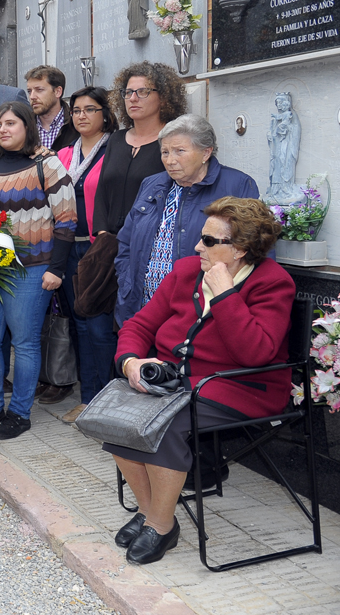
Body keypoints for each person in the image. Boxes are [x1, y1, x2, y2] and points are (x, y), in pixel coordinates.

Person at [108, 198, 293, 564]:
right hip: (179, 382)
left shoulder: (273, 283)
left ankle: (161, 527)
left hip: (241, 386)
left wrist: (225, 293)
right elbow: (139, 324)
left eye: (209, 241)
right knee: (117, 416)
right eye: (200, 238)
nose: (197, 247)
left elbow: (255, 353)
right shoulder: (185, 271)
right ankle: (151, 513)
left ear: (239, 249)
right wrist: (129, 361)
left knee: (165, 424)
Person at [0, 101, 76, 440]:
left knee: (25, 344)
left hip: (31, 271)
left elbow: (67, 220)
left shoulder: (47, 164)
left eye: (11, 123)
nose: (3, 130)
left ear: (27, 126)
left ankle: (19, 413)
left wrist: (56, 270)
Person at [115, 115, 260, 327]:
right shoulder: (151, 185)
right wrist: (127, 281)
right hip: (142, 308)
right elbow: (126, 242)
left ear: (206, 153)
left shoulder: (237, 186)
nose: (170, 160)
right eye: (165, 152)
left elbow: (254, 251)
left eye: (179, 151)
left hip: (200, 313)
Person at [55, 87, 118, 422]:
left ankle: (109, 404)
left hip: (99, 248)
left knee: (99, 328)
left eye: (89, 109)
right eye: (76, 110)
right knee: (79, 326)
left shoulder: (117, 150)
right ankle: (88, 399)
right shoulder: (64, 154)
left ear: (105, 114)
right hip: (68, 247)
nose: (81, 116)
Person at [92, 62, 187, 240]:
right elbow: (102, 193)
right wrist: (103, 234)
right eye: (128, 92)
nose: (133, 99)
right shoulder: (116, 140)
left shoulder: (174, 142)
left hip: (151, 241)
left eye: (143, 91)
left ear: (164, 98)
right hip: (110, 243)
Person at [25, 65, 77, 151]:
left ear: (57, 92)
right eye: (29, 91)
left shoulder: (75, 124)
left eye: (39, 90)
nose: (32, 96)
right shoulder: (24, 126)